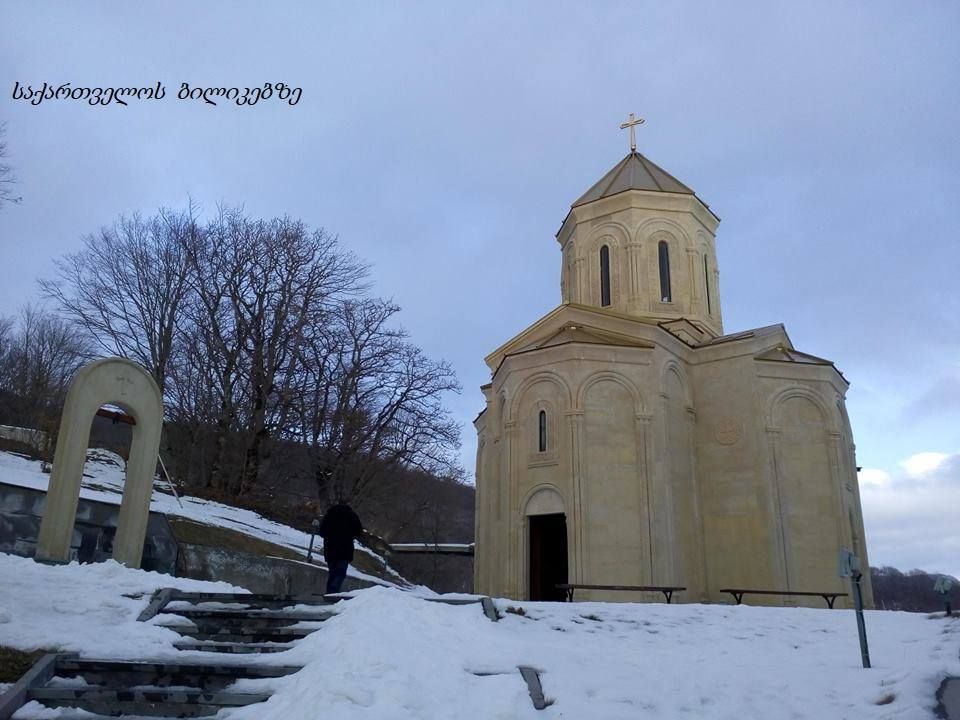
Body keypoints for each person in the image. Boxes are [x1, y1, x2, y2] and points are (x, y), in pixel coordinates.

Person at [317, 501, 363, 594]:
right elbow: (358, 531)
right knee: (341, 573)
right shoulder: (351, 515)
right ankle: (333, 592)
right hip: (345, 549)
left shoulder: (329, 515)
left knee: (332, 572)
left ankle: (330, 592)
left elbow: (322, 532)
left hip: (330, 548)